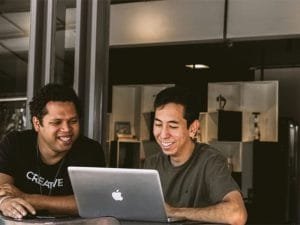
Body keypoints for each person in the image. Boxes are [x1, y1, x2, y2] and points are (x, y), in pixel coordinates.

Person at [0, 83, 106, 219]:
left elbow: (92, 202)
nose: (67, 129)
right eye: (57, 122)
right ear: (37, 124)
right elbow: (2, 189)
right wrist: (4, 202)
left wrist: (28, 198)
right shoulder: (15, 143)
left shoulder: (90, 150)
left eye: (73, 121)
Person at [144, 86, 247, 225]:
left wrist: (175, 212)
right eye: (158, 124)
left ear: (193, 129)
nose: (163, 134)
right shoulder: (152, 163)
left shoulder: (210, 161)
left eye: (173, 126)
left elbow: (237, 215)